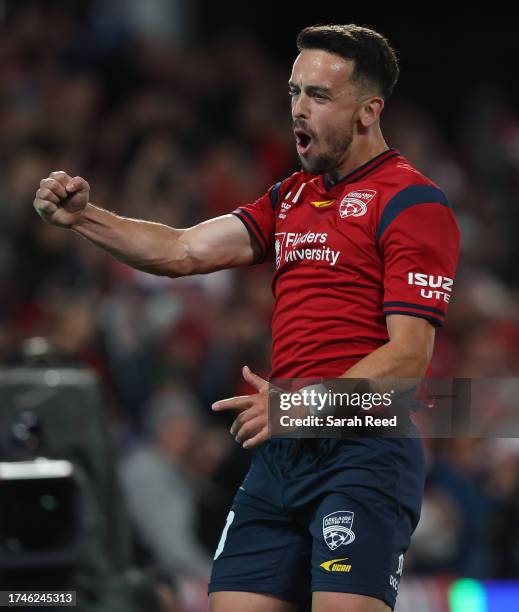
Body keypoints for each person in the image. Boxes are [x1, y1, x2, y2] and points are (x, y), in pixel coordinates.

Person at [33, 23, 460, 612]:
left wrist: (296, 405)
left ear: (368, 111)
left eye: (318, 96)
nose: (298, 110)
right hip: (282, 456)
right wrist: (84, 219)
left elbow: (410, 357)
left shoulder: (414, 203)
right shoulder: (290, 197)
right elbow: (183, 250)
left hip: (363, 453)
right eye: (293, 93)